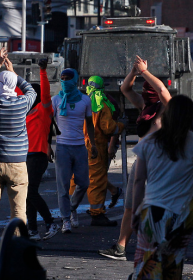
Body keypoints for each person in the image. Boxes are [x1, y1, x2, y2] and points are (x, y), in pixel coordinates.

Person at [98, 55, 172, 261]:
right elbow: (125, 89)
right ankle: (120, 248)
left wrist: (146, 73)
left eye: (149, 90)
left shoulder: (166, 109)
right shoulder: (144, 107)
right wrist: (135, 72)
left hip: (158, 165)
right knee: (130, 206)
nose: (144, 94)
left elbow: (164, 91)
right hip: (141, 163)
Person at [0, 48, 36, 247]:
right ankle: (16, 248)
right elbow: (32, 91)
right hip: (18, 163)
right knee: (19, 210)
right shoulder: (21, 103)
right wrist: (15, 75)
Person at [130, 94, 193, 279]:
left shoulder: (149, 141)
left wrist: (135, 211)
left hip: (152, 213)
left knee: (148, 265)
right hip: (182, 216)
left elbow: (139, 181)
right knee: (173, 266)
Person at [69, 76, 125, 227]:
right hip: (96, 147)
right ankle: (97, 214)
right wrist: (120, 126)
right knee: (97, 180)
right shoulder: (102, 104)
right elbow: (108, 127)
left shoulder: (82, 101)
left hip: (79, 145)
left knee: (76, 178)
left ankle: (68, 210)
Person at [50, 68, 98, 234]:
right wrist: (48, 145)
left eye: (68, 78)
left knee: (83, 182)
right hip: (62, 147)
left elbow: (90, 124)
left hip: (80, 147)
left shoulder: (85, 100)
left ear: (75, 80)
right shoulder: (55, 100)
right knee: (63, 187)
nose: (64, 81)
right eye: (62, 78)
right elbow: (49, 125)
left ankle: (71, 208)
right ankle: (65, 220)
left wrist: (93, 144)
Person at [26, 59, 60, 241]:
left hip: (38, 155)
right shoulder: (25, 111)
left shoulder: (43, 108)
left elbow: (46, 93)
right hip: (25, 155)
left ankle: (50, 222)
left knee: (30, 192)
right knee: (27, 194)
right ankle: (32, 230)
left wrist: (42, 70)